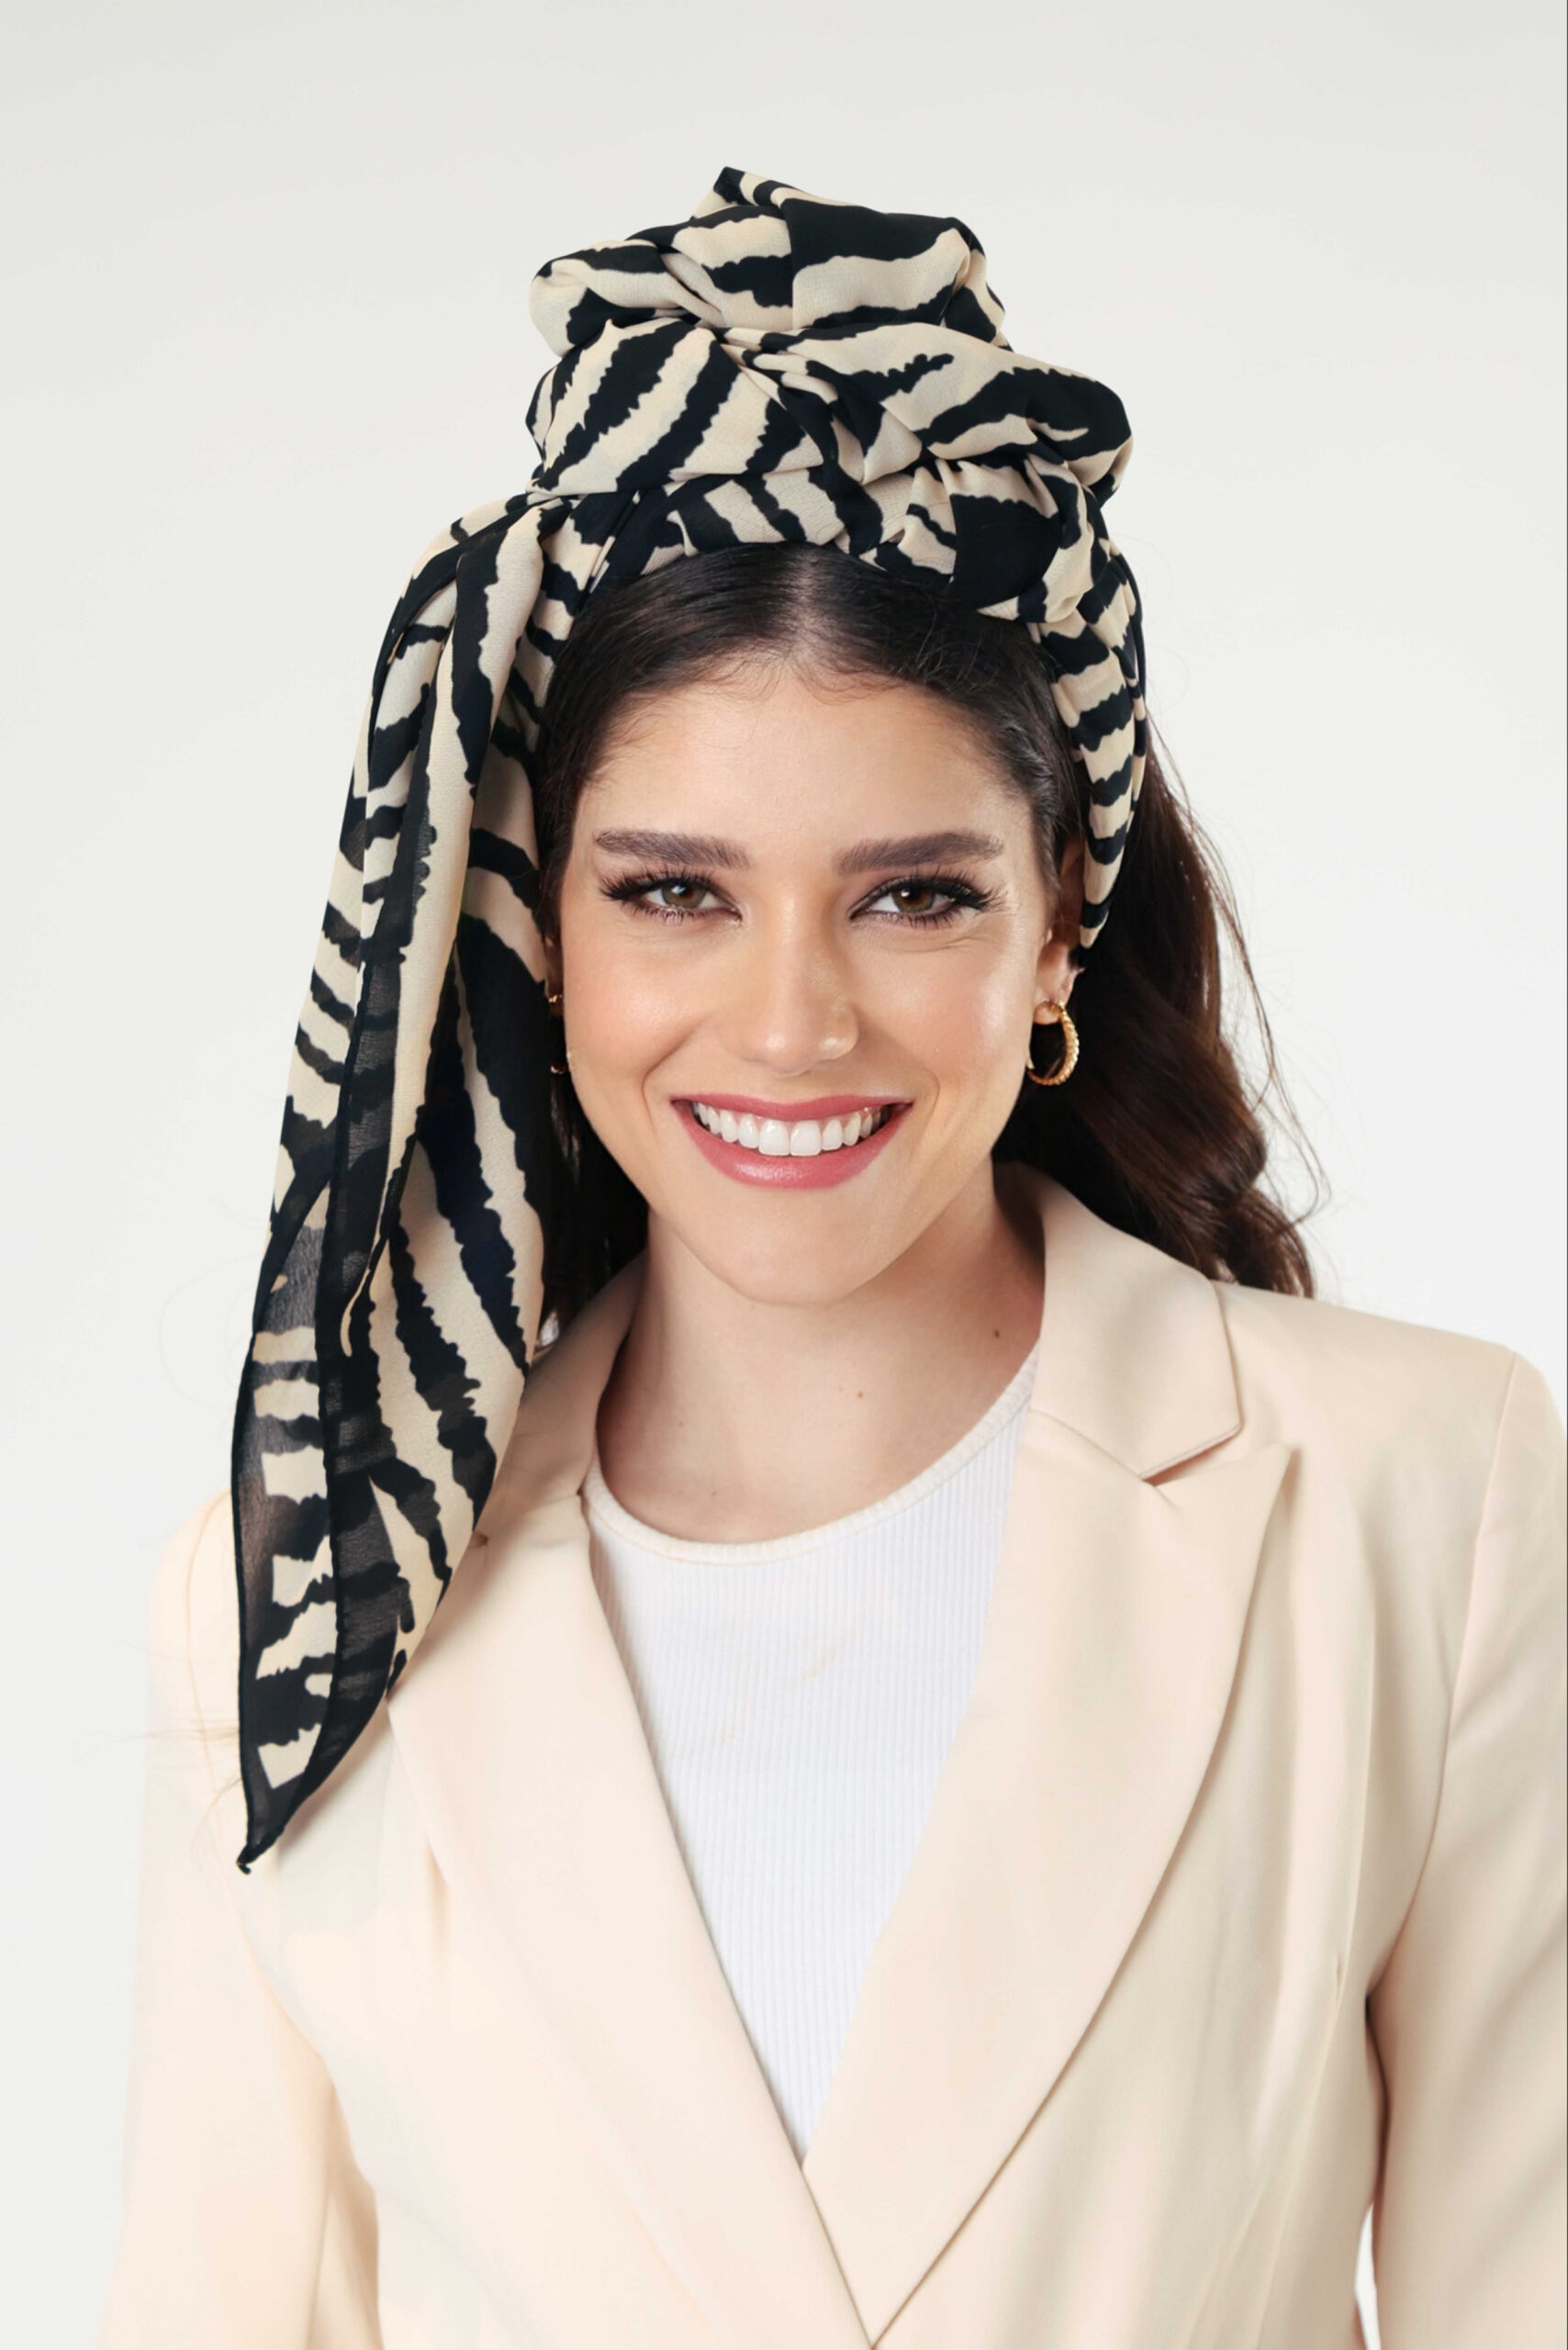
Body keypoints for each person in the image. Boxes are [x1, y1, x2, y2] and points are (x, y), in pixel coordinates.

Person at [98, 172, 1564, 2350]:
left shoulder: (1414, 1495)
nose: (788, 1023)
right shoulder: (303, 1595)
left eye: (910, 896)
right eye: (673, 891)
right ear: (536, 922)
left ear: (1056, 922)